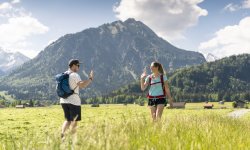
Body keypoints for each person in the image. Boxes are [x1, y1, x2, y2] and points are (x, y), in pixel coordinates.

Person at [60, 59, 94, 139]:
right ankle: (73, 140)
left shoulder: (64, 74)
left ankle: (63, 137)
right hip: (73, 101)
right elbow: (82, 85)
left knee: (67, 120)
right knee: (74, 121)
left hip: (63, 100)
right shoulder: (74, 75)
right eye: (78, 65)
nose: (79, 67)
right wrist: (90, 79)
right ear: (74, 66)